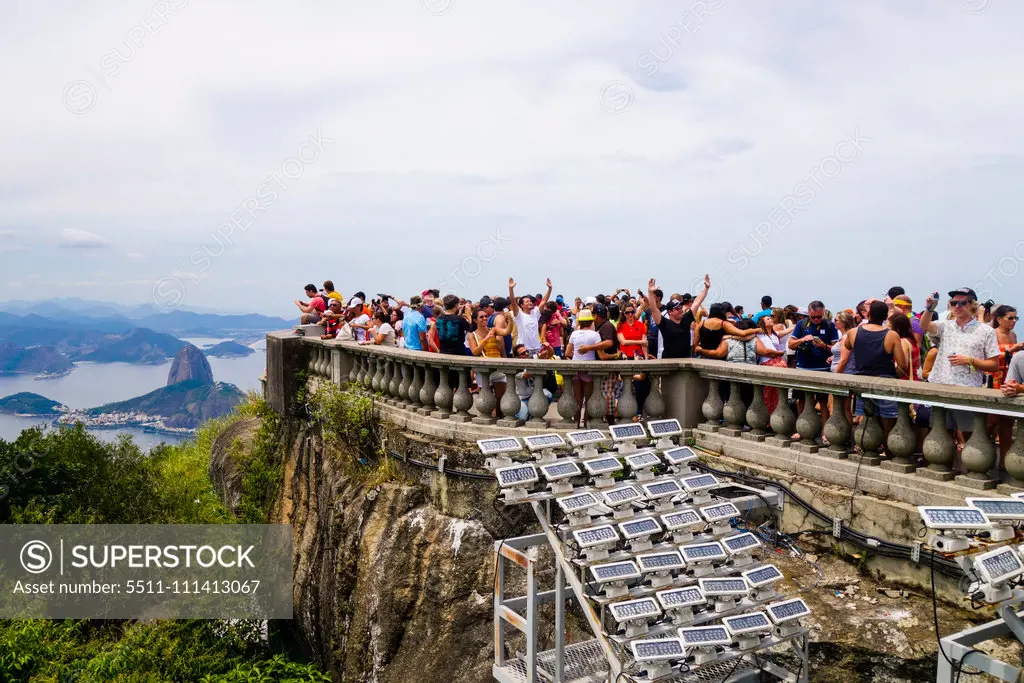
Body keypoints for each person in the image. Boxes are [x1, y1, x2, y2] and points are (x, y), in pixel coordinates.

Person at [920, 287, 1001, 442]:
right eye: (953, 303)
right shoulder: (946, 325)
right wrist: (929, 309)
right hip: (940, 387)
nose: (956, 306)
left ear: (973, 305)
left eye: (961, 303)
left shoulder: (985, 331)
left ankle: (970, 467)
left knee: (970, 436)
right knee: (939, 436)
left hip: (967, 391)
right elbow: (924, 326)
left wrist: (970, 361)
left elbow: (994, 364)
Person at [788, 300, 839, 429]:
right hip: (803, 367)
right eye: (813, 317)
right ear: (809, 314)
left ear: (823, 313)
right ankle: (801, 427)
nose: (816, 319)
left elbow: (836, 348)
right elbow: (790, 345)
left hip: (822, 368)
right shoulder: (801, 324)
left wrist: (824, 345)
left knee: (823, 401)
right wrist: (802, 340)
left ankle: (824, 430)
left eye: (819, 317)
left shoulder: (829, 325)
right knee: (801, 399)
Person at [646, 275, 712, 359]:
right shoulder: (664, 323)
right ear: (670, 312)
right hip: (668, 362)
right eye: (677, 308)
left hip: (685, 362)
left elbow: (696, 302)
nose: (680, 310)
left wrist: (706, 288)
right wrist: (650, 293)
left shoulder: (686, 319)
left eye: (681, 307)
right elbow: (653, 309)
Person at [468, 307, 506, 418]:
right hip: (483, 370)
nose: (485, 318)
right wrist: (486, 339)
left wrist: (511, 320)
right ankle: (488, 418)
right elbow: (475, 352)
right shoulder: (472, 335)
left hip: (497, 367)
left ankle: (499, 416)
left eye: (486, 316)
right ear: (475, 320)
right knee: (486, 398)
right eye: (481, 317)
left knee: (501, 396)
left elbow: (507, 331)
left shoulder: (493, 330)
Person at [566, 309, 600, 426]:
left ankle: (576, 423)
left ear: (579, 322)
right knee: (588, 398)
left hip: (576, 368)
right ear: (591, 322)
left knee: (577, 398)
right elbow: (600, 353)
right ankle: (585, 423)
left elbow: (567, 353)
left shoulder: (574, 334)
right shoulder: (595, 335)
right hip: (589, 369)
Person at [508, 277, 552, 355]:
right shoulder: (519, 315)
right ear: (521, 305)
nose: (530, 303)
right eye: (527, 301)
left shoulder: (535, 312)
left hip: (536, 348)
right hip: (524, 349)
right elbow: (513, 302)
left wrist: (549, 288)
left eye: (531, 301)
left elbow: (544, 301)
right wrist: (511, 289)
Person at [992, 305, 1023, 389]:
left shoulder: (1013, 335)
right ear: (999, 319)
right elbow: (989, 358)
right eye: (1010, 318)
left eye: (1015, 318)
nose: (1014, 321)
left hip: (1010, 375)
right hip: (995, 376)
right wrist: (1011, 350)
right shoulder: (992, 334)